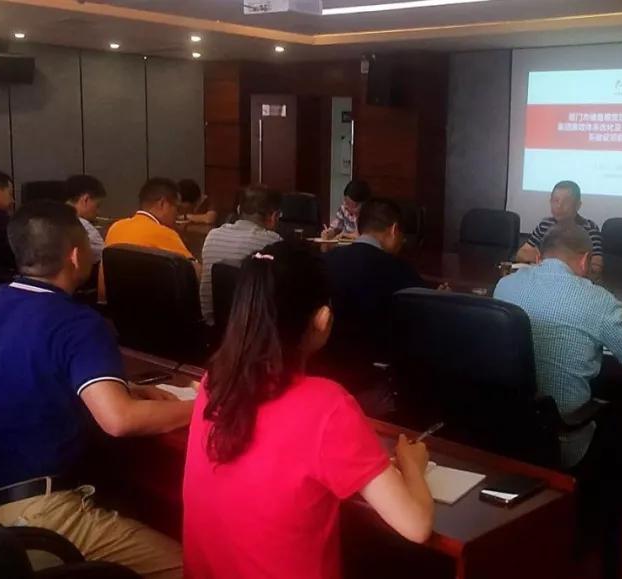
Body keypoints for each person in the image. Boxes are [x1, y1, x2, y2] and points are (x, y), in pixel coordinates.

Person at [0, 201, 191, 579]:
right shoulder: (77, 322)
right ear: (75, 255)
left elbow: (26, 362)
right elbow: (119, 420)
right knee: (194, 566)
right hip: (40, 517)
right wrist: (205, 406)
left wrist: (123, 386)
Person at [183, 241, 434, 579]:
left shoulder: (214, 382)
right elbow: (416, 525)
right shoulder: (328, 406)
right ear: (323, 319)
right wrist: (412, 465)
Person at [495, 223, 622, 467]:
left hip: (506, 428)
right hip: (563, 436)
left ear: (538, 257)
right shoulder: (597, 300)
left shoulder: (505, 285)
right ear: (585, 260)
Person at [320, 198, 425, 388]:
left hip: (326, 371)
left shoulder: (326, 260)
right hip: (375, 378)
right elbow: (422, 318)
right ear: (394, 230)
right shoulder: (400, 270)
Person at [100, 178, 200, 301]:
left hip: (115, 307)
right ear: (162, 204)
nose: (177, 215)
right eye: (177, 208)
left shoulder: (115, 227)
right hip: (154, 309)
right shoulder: (164, 233)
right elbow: (197, 274)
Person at [199, 185, 282, 324]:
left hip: (211, 325)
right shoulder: (272, 242)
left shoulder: (213, 235)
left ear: (238, 210)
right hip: (253, 329)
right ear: (274, 217)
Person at [515, 180, 604, 278]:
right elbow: (521, 254)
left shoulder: (590, 228)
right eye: (555, 200)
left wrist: (548, 259)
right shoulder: (545, 224)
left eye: (566, 202)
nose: (559, 206)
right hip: (544, 277)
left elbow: (596, 266)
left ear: (578, 205)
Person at [64, 174, 107, 264]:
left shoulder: (49, 220)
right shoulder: (84, 226)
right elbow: (104, 257)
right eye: (97, 206)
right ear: (86, 200)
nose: (98, 212)